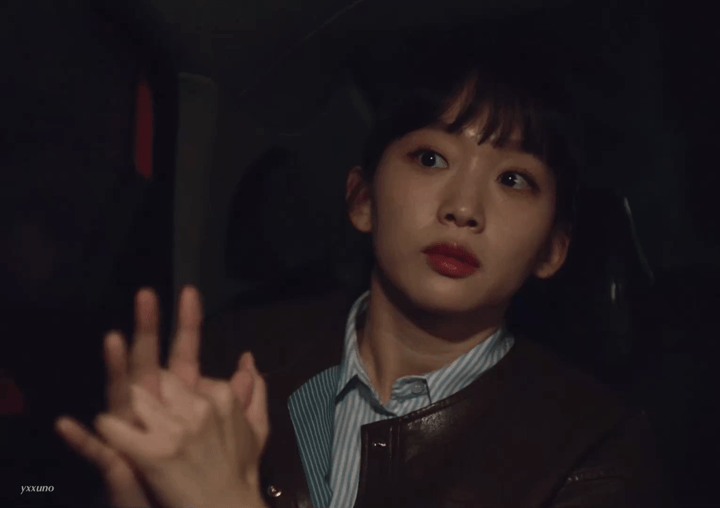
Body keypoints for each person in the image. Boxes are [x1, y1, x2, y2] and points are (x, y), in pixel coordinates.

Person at [55, 22, 663, 508]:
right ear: (363, 199)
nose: (463, 208)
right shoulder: (236, 357)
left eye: (513, 179)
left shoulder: (593, 447)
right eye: (430, 158)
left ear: (552, 249)